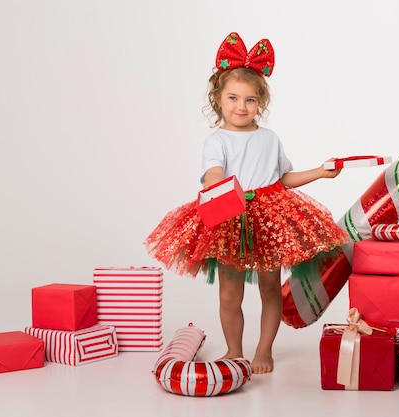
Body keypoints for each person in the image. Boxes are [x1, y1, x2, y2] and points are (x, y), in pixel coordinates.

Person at [144, 32, 348, 374]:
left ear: (261, 103)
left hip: (270, 216)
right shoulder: (217, 140)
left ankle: (264, 350)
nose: (242, 106)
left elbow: (283, 179)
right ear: (218, 99)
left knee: (270, 288)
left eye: (251, 100)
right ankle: (234, 349)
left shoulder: (269, 138)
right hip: (231, 215)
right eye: (234, 98)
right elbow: (213, 172)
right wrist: (215, 184)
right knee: (229, 293)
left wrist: (320, 172)